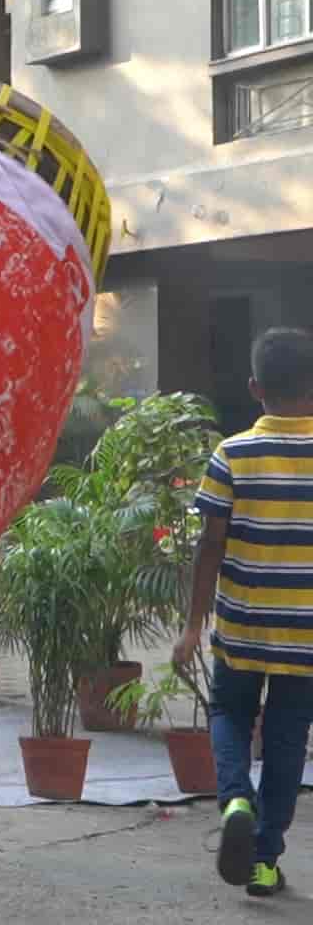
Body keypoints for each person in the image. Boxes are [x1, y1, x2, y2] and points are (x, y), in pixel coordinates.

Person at [175, 326, 313, 899]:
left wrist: (192, 626)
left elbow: (210, 545)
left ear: (255, 387)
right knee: (286, 741)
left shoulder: (232, 454)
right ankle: (263, 861)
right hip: (306, 637)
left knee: (229, 714)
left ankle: (235, 798)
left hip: (242, 627)